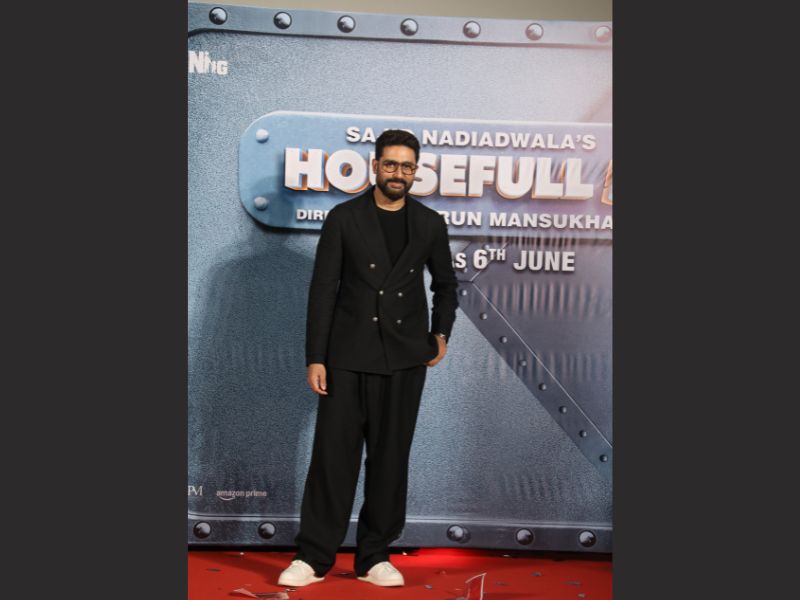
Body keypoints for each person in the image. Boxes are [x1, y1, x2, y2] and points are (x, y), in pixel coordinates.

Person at [277, 129, 458, 588]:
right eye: (391, 164)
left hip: (404, 359)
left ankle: (375, 556)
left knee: (390, 459)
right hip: (346, 356)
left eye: (407, 166)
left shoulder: (429, 223)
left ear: (415, 172)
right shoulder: (343, 218)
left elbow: (446, 285)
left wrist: (440, 335)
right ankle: (313, 557)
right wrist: (316, 356)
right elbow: (323, 289)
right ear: (375, 166)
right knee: (332, 459)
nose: (399, 173)